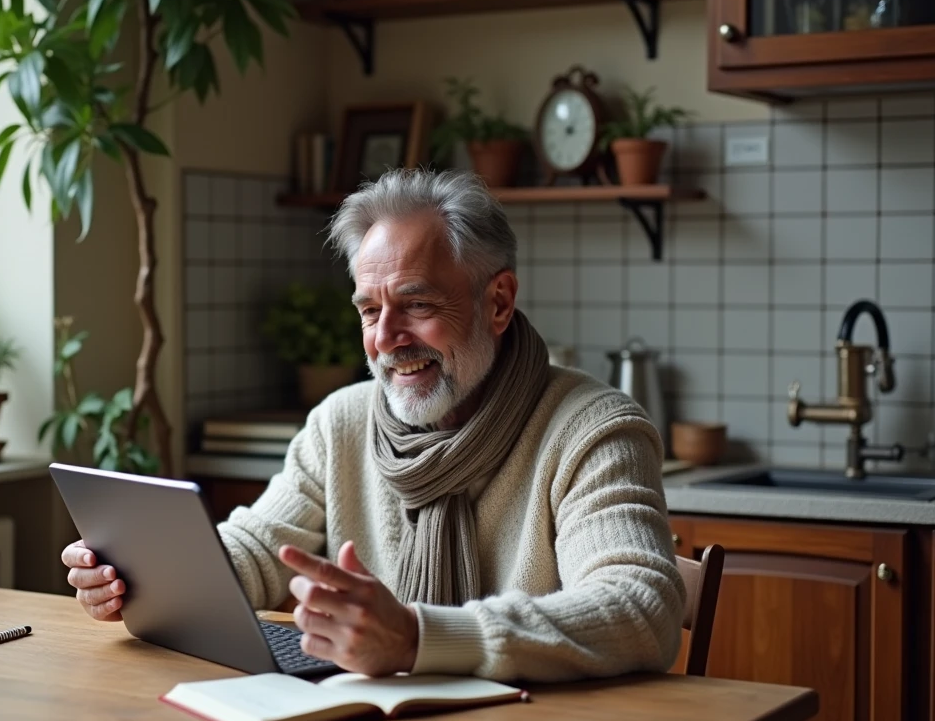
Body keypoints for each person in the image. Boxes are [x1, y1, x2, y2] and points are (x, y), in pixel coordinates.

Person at [61, 168, 685, 682]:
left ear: (496, 302)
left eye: (416, 304)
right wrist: (139, 573)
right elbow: (257, 550)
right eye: (369, 310)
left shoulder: (594, 428)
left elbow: (639, 608)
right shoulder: (342, 422)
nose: (386, 339)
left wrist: (419, 637)